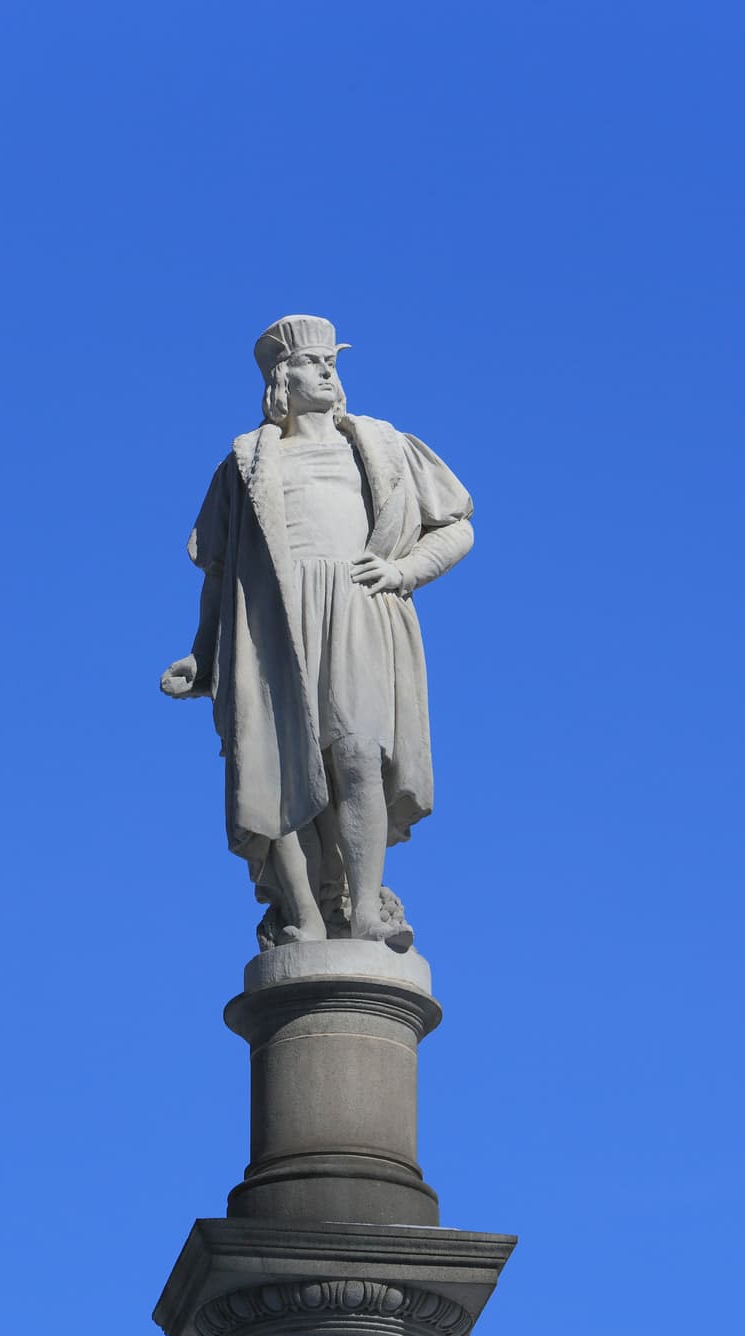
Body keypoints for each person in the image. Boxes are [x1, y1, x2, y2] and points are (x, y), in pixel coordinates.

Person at [160, 314, 473, 948]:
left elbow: (457, 525)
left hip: (357, 605)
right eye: (311, 361)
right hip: (270, 620)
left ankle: (364, 909)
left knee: (358, 753)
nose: (327, 370)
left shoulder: (383, 444)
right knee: (275, 765)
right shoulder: (245, 463)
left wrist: (404, 569)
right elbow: (219, 571)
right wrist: (201, 651)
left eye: (332, 361)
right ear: (282, 378)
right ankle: (303, 916)